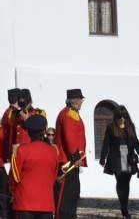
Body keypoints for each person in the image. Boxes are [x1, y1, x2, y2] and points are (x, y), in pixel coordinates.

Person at [9, 114, 59, 219]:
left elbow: (14, 176)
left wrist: (13, 191)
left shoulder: (22, 150)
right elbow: (53, 176)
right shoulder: (53, 151)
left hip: (25, 202)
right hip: (46, 203)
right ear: (44, 131)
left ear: (29, 132)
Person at [99, 105, 139, 218]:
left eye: (124, 116)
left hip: (129, 158)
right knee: (120, 181)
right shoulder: (111, 127)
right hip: (116, 158)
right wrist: (102, 158)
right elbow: (106, 144)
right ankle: (124, 207)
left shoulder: (130, 126)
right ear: (116, 117)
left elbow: (136, 143)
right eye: (120, 116)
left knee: (126, 183)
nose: (122, 118)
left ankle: (124, 205)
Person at [54, 89, 87, 219]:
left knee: (73, 192)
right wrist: (75, 157)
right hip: (68, 161)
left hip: (71, 160)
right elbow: (69, 137)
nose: (81, 102)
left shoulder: (71, 113)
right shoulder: (69, 114)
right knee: (66, 194)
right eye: (80, 100)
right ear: (73, 101)